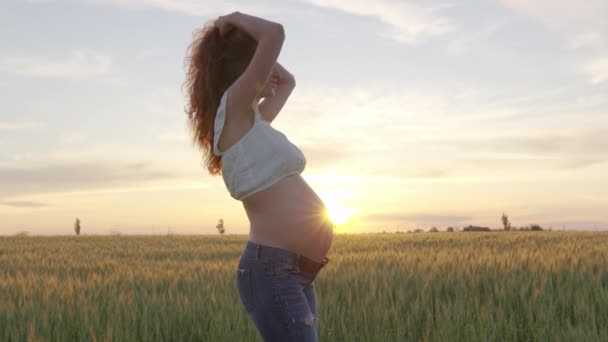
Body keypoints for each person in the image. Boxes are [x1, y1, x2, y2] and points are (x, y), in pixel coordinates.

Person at [183, 11, 335, 341]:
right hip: (272, 270)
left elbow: (288, 82)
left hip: (297, 272)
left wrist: (258, 65)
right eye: (258, 64)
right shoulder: (234, 111)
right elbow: (275, 34)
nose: (268, 70)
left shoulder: (252, 122)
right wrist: (235, 20)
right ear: (240, 70)